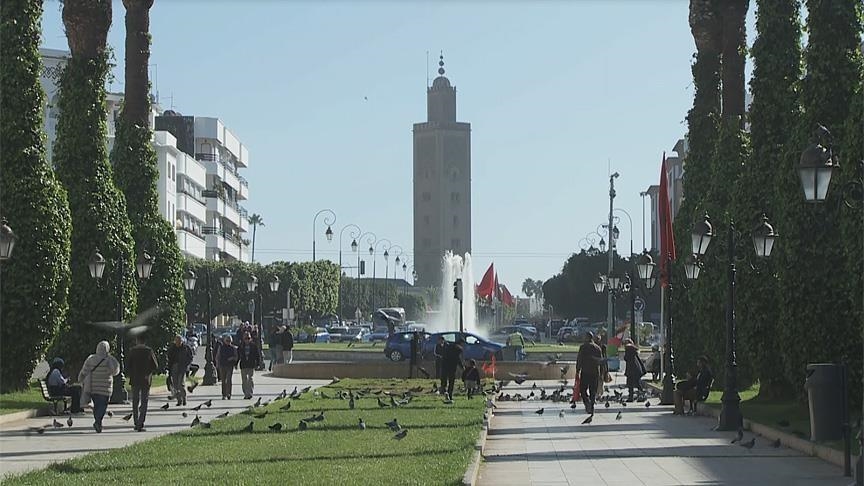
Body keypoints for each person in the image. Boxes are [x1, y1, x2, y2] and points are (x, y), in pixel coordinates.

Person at [78, 341, 119, 433]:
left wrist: (80, 378)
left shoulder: (91, 359)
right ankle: (98, 422)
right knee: (102, 406)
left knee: (97, 406)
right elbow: (115, 371)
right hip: (105, 388)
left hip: (93, 387)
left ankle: (98, 422)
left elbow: (84, 370)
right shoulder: (109, 360)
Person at [126, 334, 159, 431]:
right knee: (144, 402)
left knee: (135, 401)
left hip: (135, 379)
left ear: (137, 340)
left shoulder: (132, 351)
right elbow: (155, 365)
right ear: (145, 341)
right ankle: (141, 422)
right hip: (145, 379)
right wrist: (148, 371)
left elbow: (128, 365)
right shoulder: (149, 351)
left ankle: (136, 422)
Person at [575, 332, 603, 415]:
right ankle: (592, 406)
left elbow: (579, 359)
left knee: (583, 389)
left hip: (586, 371)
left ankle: (587, 403)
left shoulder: (583, 347)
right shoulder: (598, 348)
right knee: (593, 391)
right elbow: (600, 361)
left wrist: (577, 370)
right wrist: (601, 373)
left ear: (587, 338)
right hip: (595, 372)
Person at [166, 335, 193, 406]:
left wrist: (186, 365)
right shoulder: (172, 348)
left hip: (182, 367)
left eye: (179, 341)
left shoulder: (186, 348)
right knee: (175, 385)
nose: (178, 343)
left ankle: (184, 398)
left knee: (181, 384)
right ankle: (179, 400)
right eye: (176, 341)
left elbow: (190, 357)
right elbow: (169, 358)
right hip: (174, 367)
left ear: (182, 341)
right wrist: (169, 368)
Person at [238, 332, 262, 399]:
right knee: (244, 380)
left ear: (250, 338)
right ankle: (246, 393)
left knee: (250, 379)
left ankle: (250, 393)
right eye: (246, 338)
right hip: (243, 365)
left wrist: (257, 364)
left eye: (248, 338)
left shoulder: (253, 346)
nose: (247, 340)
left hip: (251, 364)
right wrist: (236, 363)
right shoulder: (241, 346)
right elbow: (238, 355)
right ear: (243, 339)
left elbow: (257, 355)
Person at [215, 334, 238, 399]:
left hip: (230, 366)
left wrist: (232, 358)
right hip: (222, 365)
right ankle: (224, 394)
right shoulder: (221, 347)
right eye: (227, 340)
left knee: (229, 380)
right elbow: (218, 356)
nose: (228, 342)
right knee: (223, 380)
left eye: (229, 341)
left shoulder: (233, 348)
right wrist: (217, 364)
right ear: (224, 341)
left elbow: (236, 357)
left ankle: (229, 394)